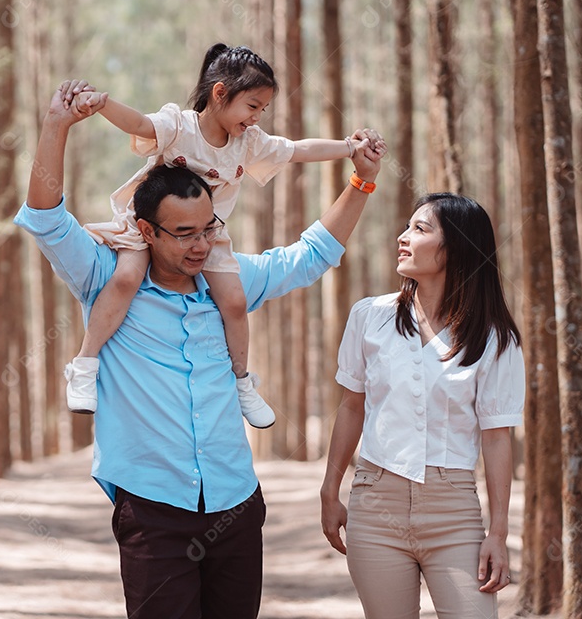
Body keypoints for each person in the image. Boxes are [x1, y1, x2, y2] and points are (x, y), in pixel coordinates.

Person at [15, 79, 385, 619]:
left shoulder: (228, 281)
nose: (200, 245)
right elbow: (46, 218)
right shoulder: (104, 279)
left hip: (235, 503)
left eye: (208, 229)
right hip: (152, 508)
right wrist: (56, 127)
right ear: (145, 231)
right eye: (183, 233)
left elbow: (310, 255)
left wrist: (362, 182)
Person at [63, 43, 372, 429]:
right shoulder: (180, 126)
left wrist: (348, 148)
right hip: (150, 228)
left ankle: (242, 380)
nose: (257, 117)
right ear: (220, 93)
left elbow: (296, 149)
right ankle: (85, 363)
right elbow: (140, 124)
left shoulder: (250, 142)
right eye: (252, 106)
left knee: (236, 302)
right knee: (126, 278)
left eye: (263, 109)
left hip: (209, 236)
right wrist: (100, 104)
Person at [319, 193, 525, 619]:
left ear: (458, 247)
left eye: (420, 229)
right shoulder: (369, 317)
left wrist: (498, 533)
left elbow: (497, 437)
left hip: (454, 512)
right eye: (407, 226)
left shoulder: (494, 339)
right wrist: (330, 488)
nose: (402, 237)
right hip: (375, 505)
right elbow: (351, 407)